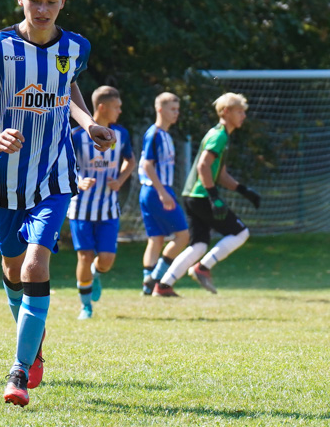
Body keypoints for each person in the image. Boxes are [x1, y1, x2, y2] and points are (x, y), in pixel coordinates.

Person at [0, 0, 114, 406]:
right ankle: (35, 345)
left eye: (51, 2)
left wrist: (86, 124)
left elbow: (68, 89)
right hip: (5, 180)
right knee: (12, 271)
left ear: (63, 2)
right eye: (34, 1)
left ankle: (19, 371)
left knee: (33, 267)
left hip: (55, 176)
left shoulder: (76, 47)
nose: (42, 10)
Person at [157, 92, 260, 292]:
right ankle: (203, 267)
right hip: (201, 195)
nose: (243, 116)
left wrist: (244, 191)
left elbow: (220, 174)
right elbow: (203, 166)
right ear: (226, 112)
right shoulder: (219, 135)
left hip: (192, 196)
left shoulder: (220, 134)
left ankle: (163, 285)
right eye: (240, 111)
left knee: (199, 245)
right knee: (241, 232)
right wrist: (214, 197)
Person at [68, 85, 134, 320]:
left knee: (106, 260)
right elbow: (64, 165)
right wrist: (79, 180)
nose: (120, 111)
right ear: (102, 107)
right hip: (80, 208)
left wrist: (120, 179)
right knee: (84, 256)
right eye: (116, 107)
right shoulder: (76, 135)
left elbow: (130, 161)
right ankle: (85, 306)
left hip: (108, 208)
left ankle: (95, 275)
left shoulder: (121, 134)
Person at [139, 92, 190, 297]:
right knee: (183, 235)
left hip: (154, 190)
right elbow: (147, 165)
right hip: (156, 190)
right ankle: (156, 278)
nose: (176, 113)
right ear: (160, 109)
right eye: (172, 109)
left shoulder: (166, 135)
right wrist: (162, 192)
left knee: (156, 239)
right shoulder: (155, 134)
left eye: (177, 109)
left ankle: (147, 286)